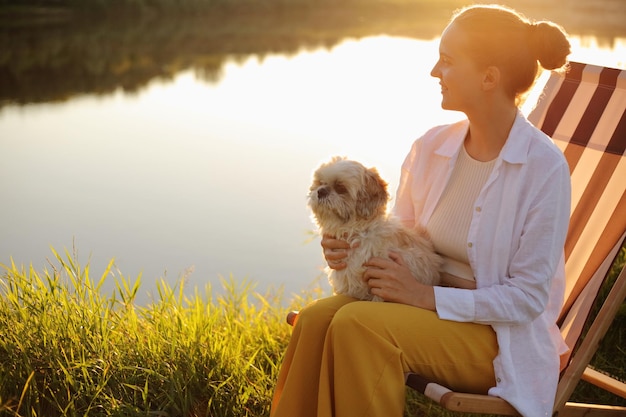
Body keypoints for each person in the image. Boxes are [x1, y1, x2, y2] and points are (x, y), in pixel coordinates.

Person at [271, 4, 572, 417]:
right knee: (316, 320)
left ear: (489, 77)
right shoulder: (431, 147)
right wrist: (346, 244)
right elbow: (398, 235)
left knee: (356, 326)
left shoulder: (543, 168)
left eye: (447, 61)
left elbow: (528, 299)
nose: (434, 72)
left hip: (496, 338)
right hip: (413, 304)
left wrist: (426, 296)